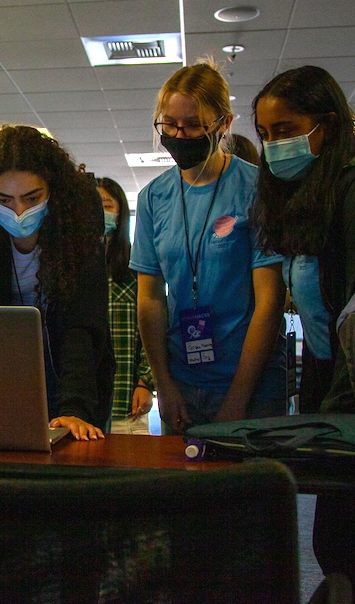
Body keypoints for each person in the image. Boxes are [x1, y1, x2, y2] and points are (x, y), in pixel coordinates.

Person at [129, 60, 287, 435]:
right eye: (169, 124)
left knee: (248, 491)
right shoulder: (154, 197)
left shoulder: (256, 188)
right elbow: (150, 299)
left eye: (194, 125)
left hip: (250, 381)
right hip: (181, 380)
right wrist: (162, 385)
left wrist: (239, 397)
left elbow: (270, 300)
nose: (180, 135)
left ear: (224, 124)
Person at [0, 125, 115, 440]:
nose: (18, 211)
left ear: (53, 192)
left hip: (72, 380)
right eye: (3, 200)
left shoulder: (78, 234)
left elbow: (83, 328)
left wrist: (75, 408)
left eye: (32, 198)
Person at [252, 64, 355, 599]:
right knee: (332, 547)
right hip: (329, 391)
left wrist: (331, 424)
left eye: (288, 131)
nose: (273, 146)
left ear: (329, 126)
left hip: (348, 404)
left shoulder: (351, 191)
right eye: (266, 135)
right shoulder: (307, 200)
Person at [97, 177, 155, 434]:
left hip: (125, 403)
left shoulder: (135, 266)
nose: (100, 213)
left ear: (121, 213)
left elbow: (151, 330)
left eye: (107, 205)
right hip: (84, 407)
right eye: (94, 205)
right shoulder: (71, 268)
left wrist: (145, 383)